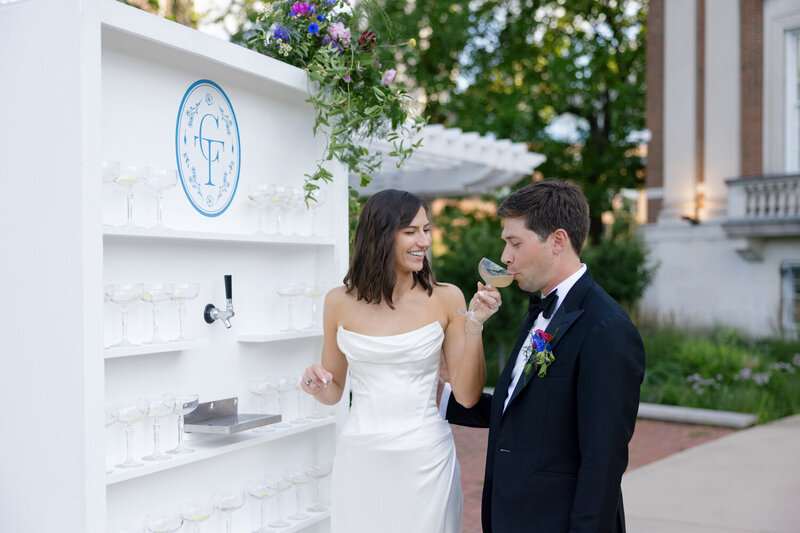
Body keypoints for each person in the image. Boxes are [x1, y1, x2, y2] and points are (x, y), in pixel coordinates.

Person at [441, 179, 646, 532]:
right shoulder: (540, 312)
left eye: (515, 243)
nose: (505, 257)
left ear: (558, 241)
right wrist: (435, 398)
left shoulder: (607, 329)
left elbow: (603, 462)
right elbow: (525, 411)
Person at [300, 189, 501, 533]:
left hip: (425, 461)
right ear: (379, 236)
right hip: (360, 460)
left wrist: (475, 326)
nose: (424, 241)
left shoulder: (446, 297)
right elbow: (332, 392)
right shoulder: (337, 302)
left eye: (426, 229)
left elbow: (467, 396)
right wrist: (314, 384)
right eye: (411, 231)